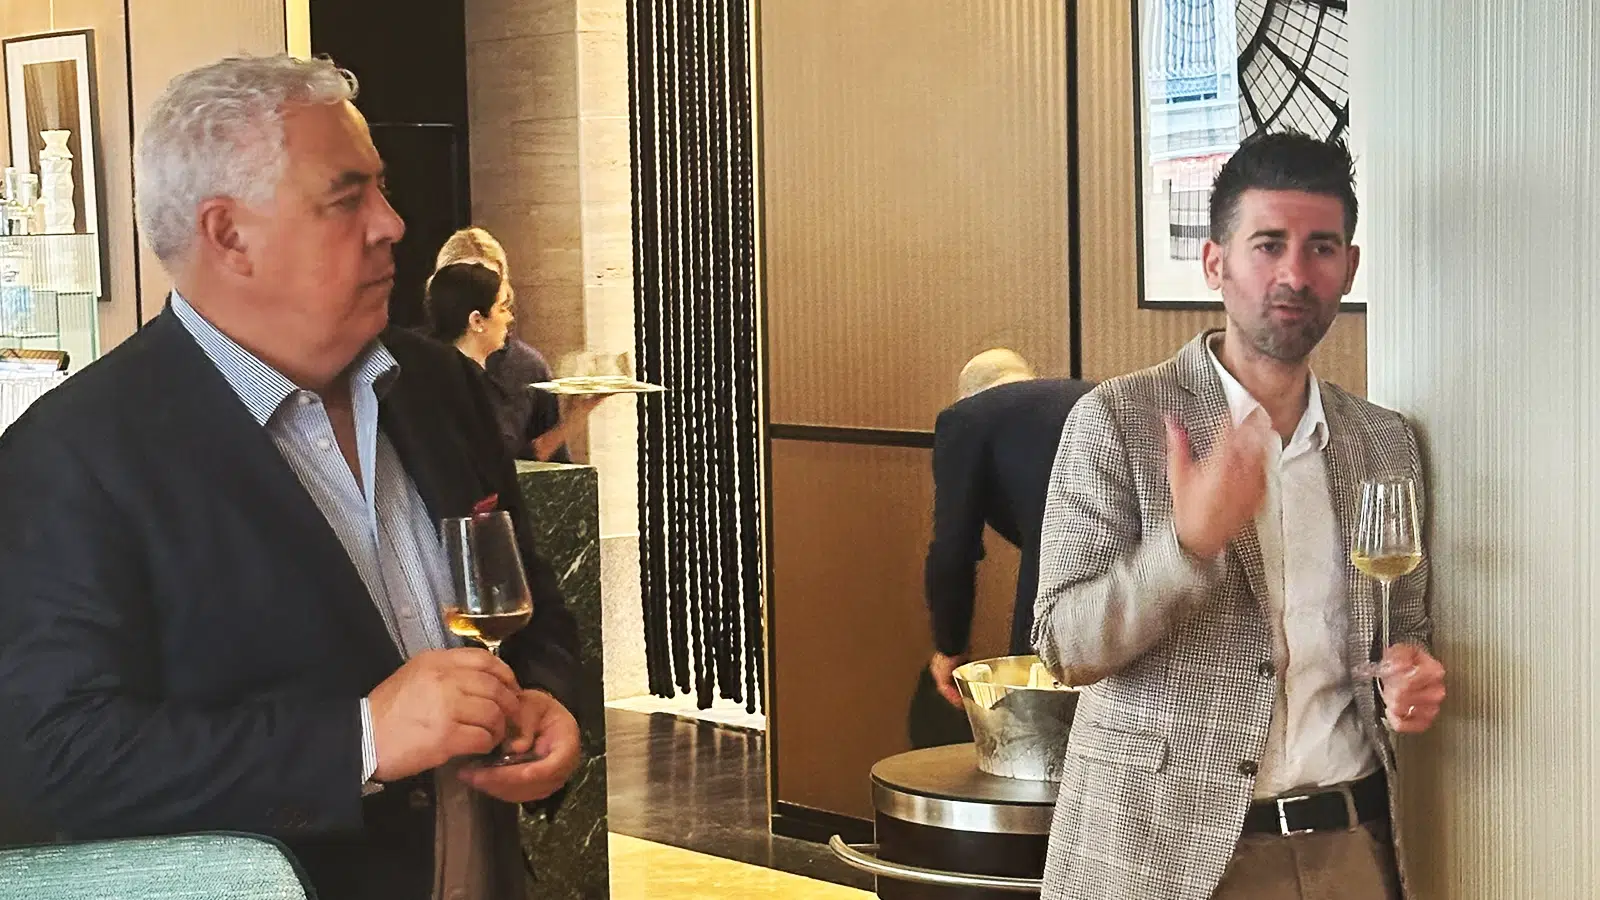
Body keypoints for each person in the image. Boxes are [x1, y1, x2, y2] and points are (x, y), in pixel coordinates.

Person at [0, 55, 583, 900]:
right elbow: (58, 755)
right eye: (347, 198)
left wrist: (549, 704)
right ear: (228, 235)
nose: (392, 223)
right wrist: (360, 742)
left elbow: (534, 610)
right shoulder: (74, 455)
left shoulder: (440, 387)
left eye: (382, 188)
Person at [1031, 132, 1447, 900]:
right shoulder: (1118, 421)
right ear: (1215, 263)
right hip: (1163, 858)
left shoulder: (1383, 442)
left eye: (1321, 248)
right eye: (1268, 244)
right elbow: (1063, 647)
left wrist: (1410, 674)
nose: (1295, 273)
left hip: (1350, 847)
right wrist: (1187, 547)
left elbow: (1403, 625)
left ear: (1350, 267)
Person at [919, 350, 1092, 723]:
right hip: (1150, 575)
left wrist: (950, 645)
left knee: (1039, 726)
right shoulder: (1091, 396)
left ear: (968, 395)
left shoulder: (966, 418)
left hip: (1058, 574)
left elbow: (953, 548)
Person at [432, 226, 599, 462]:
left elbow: (543, 465)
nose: (509, 317)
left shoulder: (529, 367)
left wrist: (573, 419)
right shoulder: (414, 365)